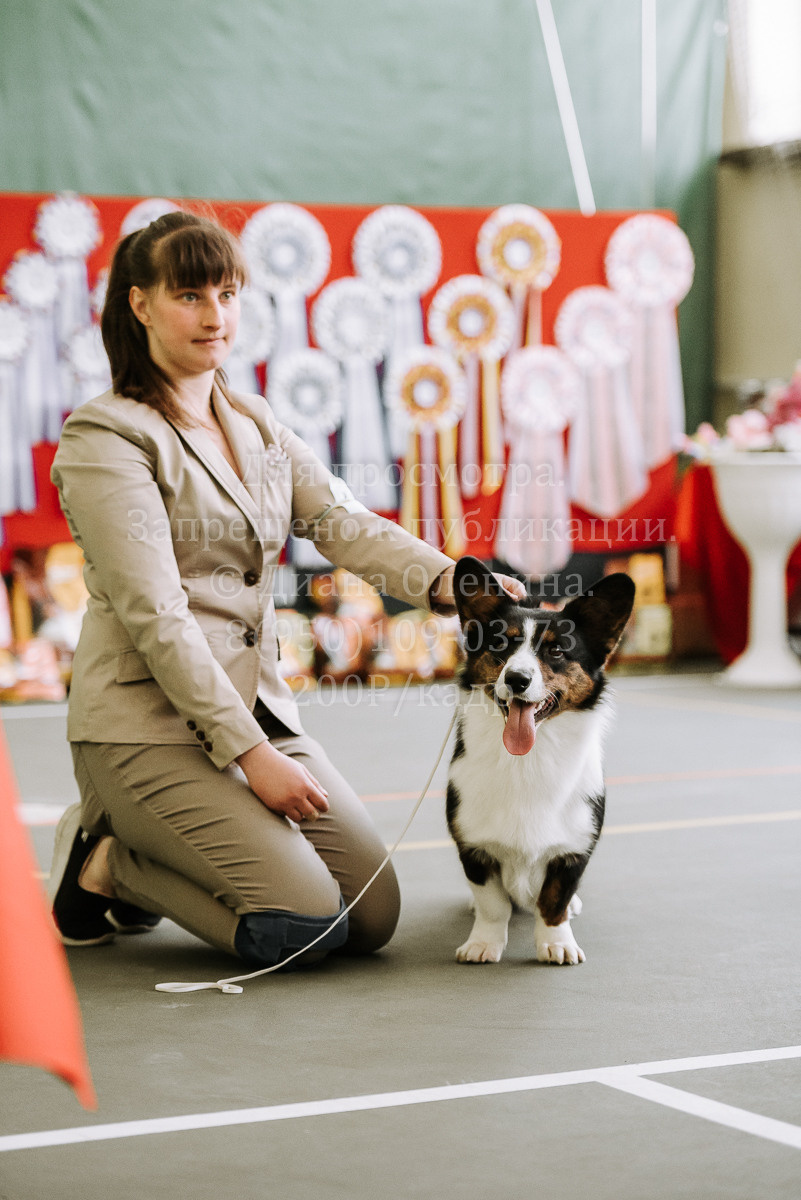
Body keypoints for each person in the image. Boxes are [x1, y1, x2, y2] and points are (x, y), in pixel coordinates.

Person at [49, 210, 522, 972]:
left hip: (258, 706)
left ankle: (140, 856)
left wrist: (446, 582)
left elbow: (338, 521)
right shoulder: (106, 439)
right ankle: (105, 862)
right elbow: (158, 615)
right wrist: (248, 754)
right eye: (191, 296)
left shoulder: (255, 422)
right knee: (301, 926)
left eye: (228, 294)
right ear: (139, 304)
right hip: (145, 727)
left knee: (371, 917)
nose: (216, 317)